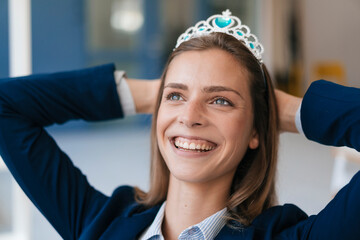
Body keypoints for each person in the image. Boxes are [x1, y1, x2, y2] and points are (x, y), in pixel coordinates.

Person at [0, 10, 359, 240]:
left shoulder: (294, 236)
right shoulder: (99, 224)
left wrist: (289, 112)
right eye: (176, 97)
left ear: (255, 131)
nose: (190, 116)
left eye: (221, 100)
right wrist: (153, 96)